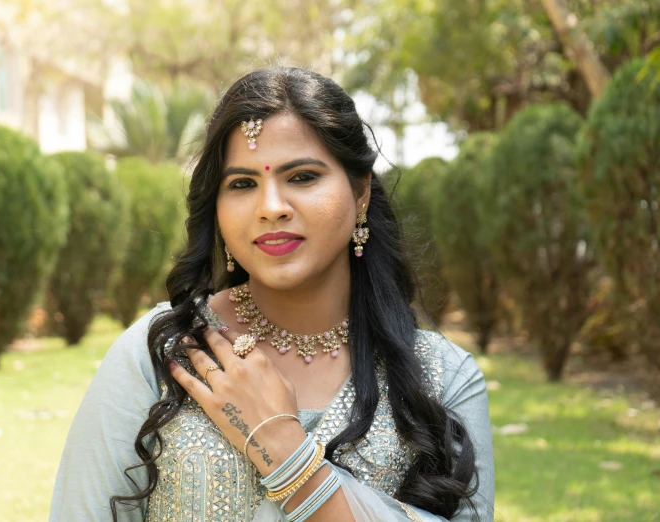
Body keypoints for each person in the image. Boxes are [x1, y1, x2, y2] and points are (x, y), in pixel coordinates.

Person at [49, 67, 495, 522]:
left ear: (360, 193)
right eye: (242, 184)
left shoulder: (441, 378)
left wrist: (287, 456)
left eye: (302, 177)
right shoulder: (161, 354)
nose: (271, 208)